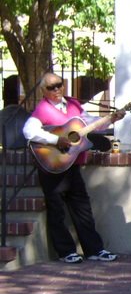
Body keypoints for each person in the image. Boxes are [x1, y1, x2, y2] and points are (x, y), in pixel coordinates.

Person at [22, 72, 122, 263]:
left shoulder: (74, 104)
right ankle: (66, 251)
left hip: (72, 164)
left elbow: (90, 123)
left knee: (82, 207)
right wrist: (55, 139)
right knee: (57, 210)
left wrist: (111, 119)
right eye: (52, 87)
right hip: (52, 164)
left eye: (59, 84)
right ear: (44, 91)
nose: (57, 89)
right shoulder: (42, 109)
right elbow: (28, 131)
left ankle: (94, 250)